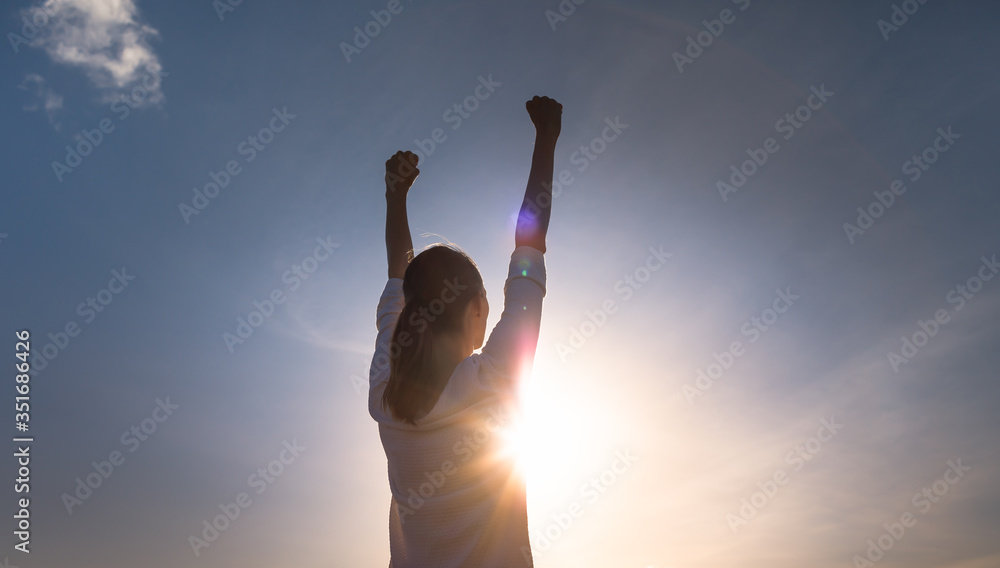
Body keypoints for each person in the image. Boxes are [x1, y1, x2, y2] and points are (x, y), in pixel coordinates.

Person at [368, 96, 563, 567]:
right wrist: (546, 139)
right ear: (478, 310)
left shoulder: (384, 394)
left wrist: (396, 196)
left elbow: (399, 271)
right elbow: (530, 243)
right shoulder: (493, 378)